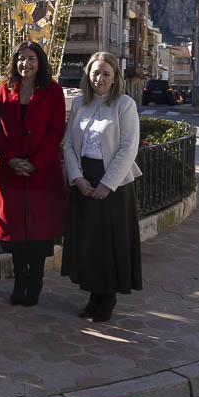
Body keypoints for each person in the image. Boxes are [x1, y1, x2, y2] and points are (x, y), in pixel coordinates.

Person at [61, 51, 143, 323]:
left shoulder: (124, 104)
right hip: (84, 179)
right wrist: (77, 178)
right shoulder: (79, 104)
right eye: (95, 72)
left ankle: (106, 297)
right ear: (88, 75)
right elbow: (69, 144)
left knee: (109, 243)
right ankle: (92, 295)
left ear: (115, 77)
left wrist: (108, 184)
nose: (100, 78)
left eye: (106, 73)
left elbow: (128, 148)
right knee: (89, 243)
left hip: (114, 183)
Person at [0, 41, 67, 306]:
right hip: (11, 173)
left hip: (41, 173)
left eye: (31, 58)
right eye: (21, 58)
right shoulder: (2, 91)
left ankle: (34, 283)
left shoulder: (53, 91)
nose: (26, 64)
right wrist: (11, 160)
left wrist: (35, 162)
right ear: (14, 62)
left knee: (37, 234)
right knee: (16, 235)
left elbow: (56, 130)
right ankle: (19, 282)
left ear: (40, 62)